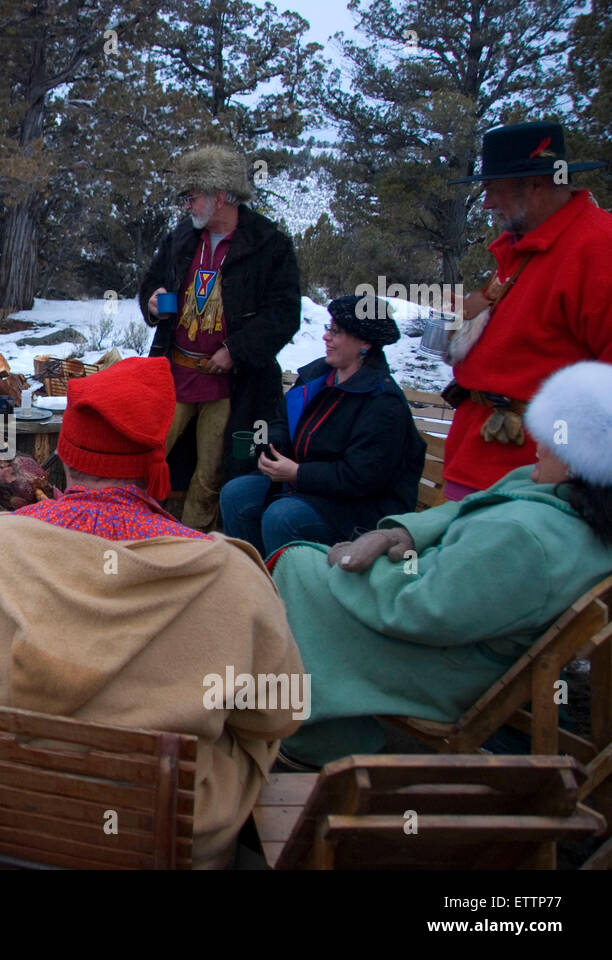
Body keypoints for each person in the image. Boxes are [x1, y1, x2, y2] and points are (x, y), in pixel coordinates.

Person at [0, 357, 305, 869]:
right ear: (157, 462)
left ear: (61, 458)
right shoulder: (232, 577)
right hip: (166, 839)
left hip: (12, 820)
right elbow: (279, 716)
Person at [269, 361, 612, 768]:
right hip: (464, 634)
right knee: (302, 561)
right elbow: (464, 508)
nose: (536, 444)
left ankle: (322, 737)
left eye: (550, 439)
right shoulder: (568, 499)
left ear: (578, 457)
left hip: (448, 667)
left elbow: (422, 608)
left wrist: (353, 574)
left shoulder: (526, 539)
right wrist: (403, 533)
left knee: (298, 567)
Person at [441, 120, 612, 500]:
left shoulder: (599, 249)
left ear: (535, 183)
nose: (485, 202)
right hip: (475, 462)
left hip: (530, 489)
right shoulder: (520, 248)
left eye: (491, 188)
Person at [138, 145, 301, 530]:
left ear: (221, 196)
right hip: (174, 376)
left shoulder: (268, 245)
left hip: (230, 387)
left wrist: (237, 350)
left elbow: (284, 314)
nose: (188, 206)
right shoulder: (182, 237)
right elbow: (151, 282)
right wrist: (152, 300)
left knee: (211, 476)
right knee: (145, 457)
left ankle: (191, 550)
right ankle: (139, 533)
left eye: (193, 197)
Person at [220, 295, 425, 557]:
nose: (326, 337)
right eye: (328, 328)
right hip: (310, 487)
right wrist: (270, 446)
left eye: (336, 331)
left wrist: (297, 473)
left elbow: (360, 477)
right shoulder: (316, 375)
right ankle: (251, 578)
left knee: (281, 517)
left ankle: (290, 590)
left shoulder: (383, 403)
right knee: (235, 494)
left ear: (364, 343)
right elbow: (282, 418)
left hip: (360, 507)